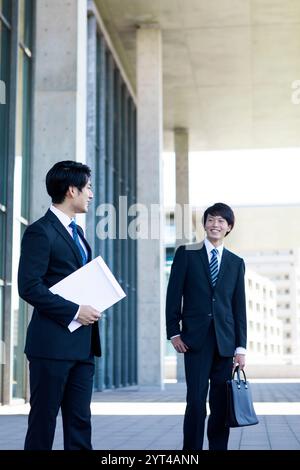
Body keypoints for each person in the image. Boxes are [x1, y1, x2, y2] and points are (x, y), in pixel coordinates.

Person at [18, 160, 101, 450]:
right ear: (71, 190)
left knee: (80, 424)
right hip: (51, 347)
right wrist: (76, 310)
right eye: (88, 188)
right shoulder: (41, 232)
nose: (91, 194)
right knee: (43, 424)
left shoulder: (78, 233)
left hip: (82, 346)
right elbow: (29, 286)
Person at [166, 202, 247, 450]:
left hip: (225, 343)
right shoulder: (186, 254)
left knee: (221, 403)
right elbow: (173, 295)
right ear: (204, 224)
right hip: (195, 341)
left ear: (229, 227)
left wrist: (241, 347)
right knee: (196, 401)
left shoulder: (235, 262)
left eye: (221, 221)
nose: (215, 224)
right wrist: (174, 332)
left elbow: (238, 307)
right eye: (211, 219)